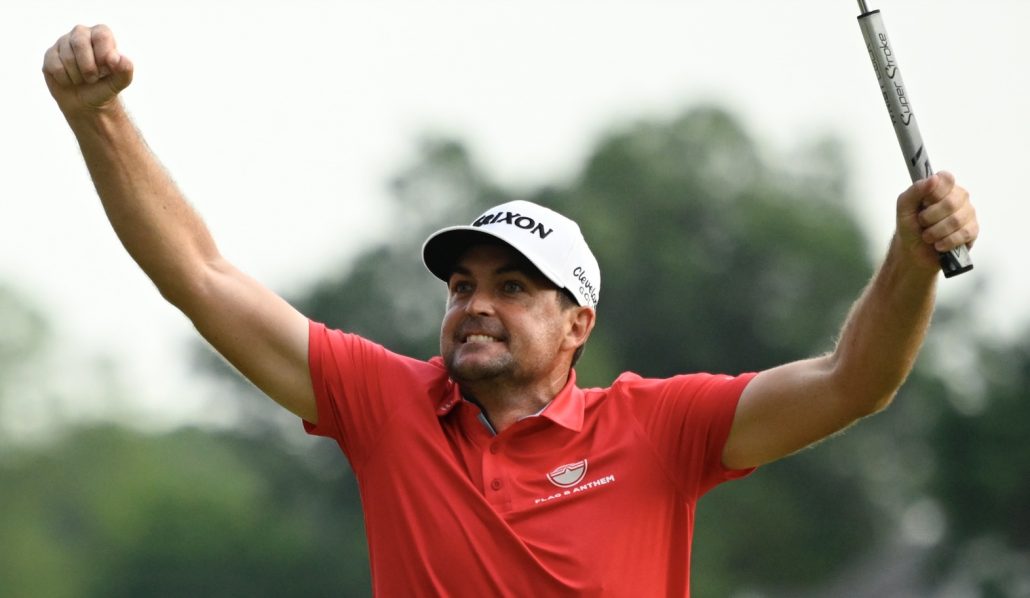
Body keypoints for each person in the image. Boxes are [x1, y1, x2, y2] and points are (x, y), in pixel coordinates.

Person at [43, 24, 979, 597]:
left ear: (580, 324)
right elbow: (202, 278)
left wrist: (911, 256)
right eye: (462, 287)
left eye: (514, 288)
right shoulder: (386, 406)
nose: (477, 306)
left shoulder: (659, 428)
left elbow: (853, 382)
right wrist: (100, 118)